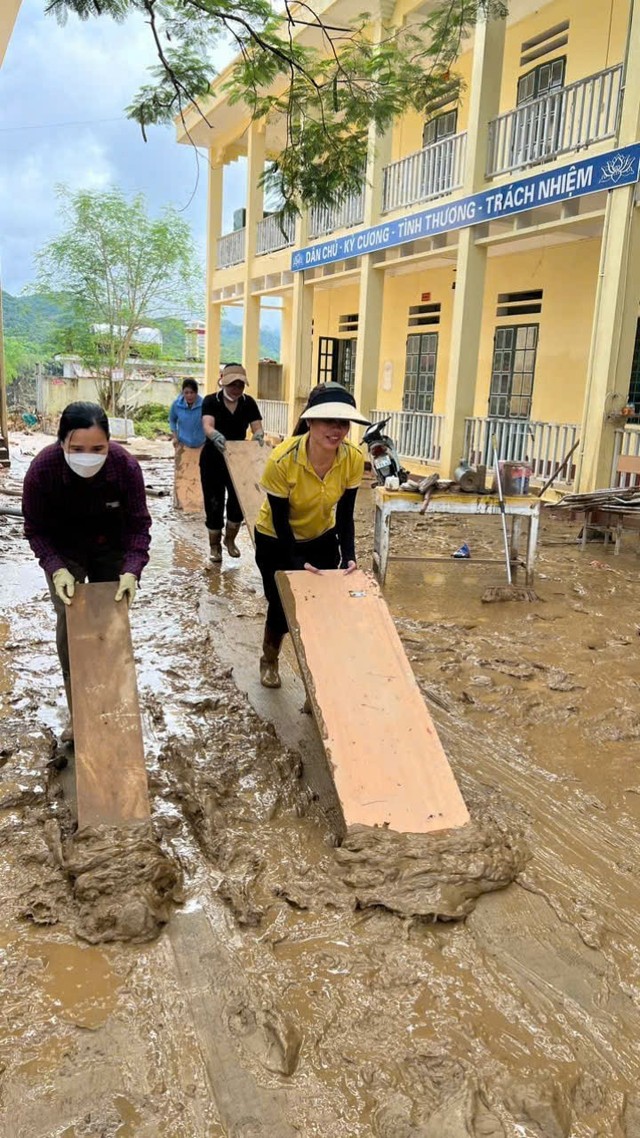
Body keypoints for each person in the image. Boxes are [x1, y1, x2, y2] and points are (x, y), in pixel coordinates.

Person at [22, 401, 152, 742]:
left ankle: (112, 709)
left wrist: (131, 570)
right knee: (73, 626)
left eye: (98, 448)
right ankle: (79, 715)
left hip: (111, 547)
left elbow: (139, 526)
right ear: (61, 442)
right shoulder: (42, 471)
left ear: (110, 443)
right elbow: (35, 529)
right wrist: (56, 568)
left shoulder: (125, 467)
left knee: (111, 627)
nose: (87, 456)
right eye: (77, 448)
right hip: (66, 553)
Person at [253, 382, 369, 688]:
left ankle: (317, 678)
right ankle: (269, 658)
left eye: (343, 422)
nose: (337, 429)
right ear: (309, 421)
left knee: (323, 607)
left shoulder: (353, 458)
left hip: (320, 535)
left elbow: (345, 514)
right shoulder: (282, 459)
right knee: (281, 607)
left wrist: (350, 555)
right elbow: (279, 518)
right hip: (276, 539)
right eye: (328, 421)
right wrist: (295, 559)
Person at [200, 362, 264, 562]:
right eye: (232, 385)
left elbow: (257, 427)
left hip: (239, 460)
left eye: (240, 385)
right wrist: (214, 434)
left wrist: (259, 435)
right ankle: (214, 546)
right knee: (214, 502)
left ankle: (230, 540)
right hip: (213, 457)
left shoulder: (249, 403)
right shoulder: (211, 401)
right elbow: (207, 425)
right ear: (223, 383)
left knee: (238, 503)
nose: (236, 389)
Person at [169, 377, 205, 449]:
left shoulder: (204, 405)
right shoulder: (176, 405)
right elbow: (172, 420)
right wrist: (175, 437)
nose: (189, 395)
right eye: (186, 393)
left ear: (196, 392)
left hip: (201, 444)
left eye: (192, 392)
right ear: (182, 392)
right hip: (182, 444)